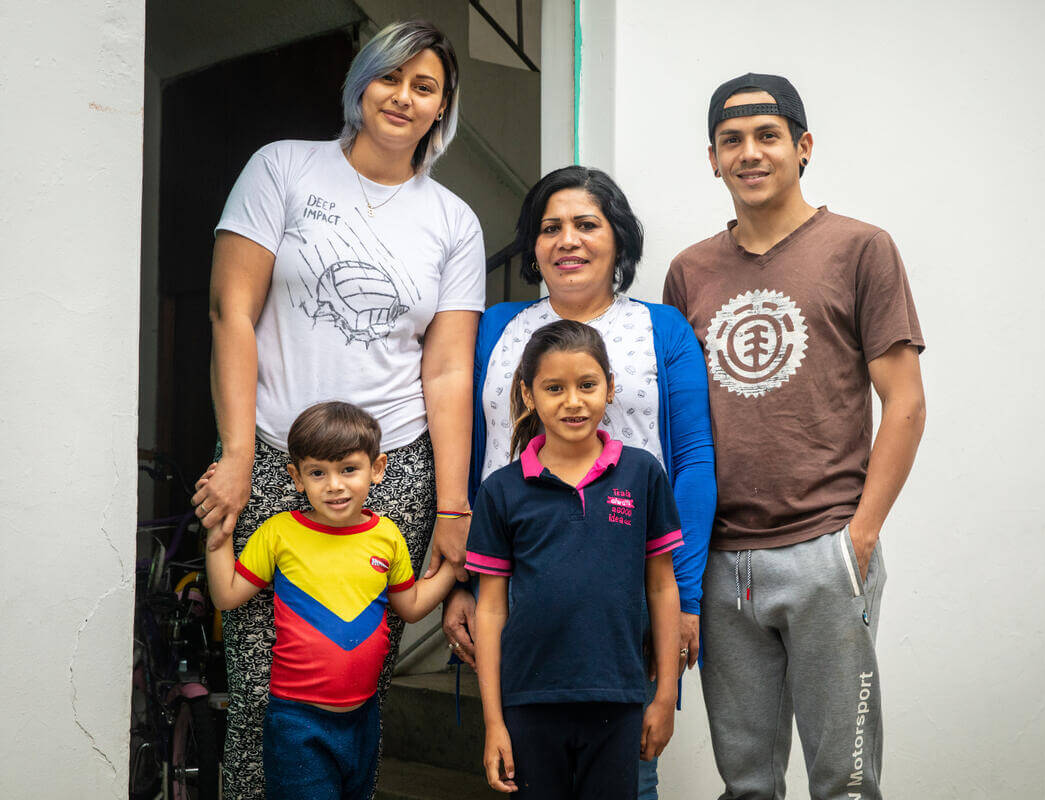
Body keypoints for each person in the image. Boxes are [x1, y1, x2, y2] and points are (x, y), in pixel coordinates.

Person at [189, 20, 484, 798]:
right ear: (361, 83)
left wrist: (453, 505)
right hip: (273, 460)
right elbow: (230, 312)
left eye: (425, 86)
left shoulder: (453, 220)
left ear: (442, 107)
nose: (404, 97)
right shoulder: (283, 167)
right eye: (390, 77)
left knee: (355, 683)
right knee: (262, 687)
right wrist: (238, 454)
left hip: (394, 471)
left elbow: (449, 369)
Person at [663, 73, 927, 800]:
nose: (749, 153)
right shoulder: (689, 272)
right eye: (731, 140)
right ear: (712, 159)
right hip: (722, 562)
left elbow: (905, 402)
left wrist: (859, 537)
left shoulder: (861, 249)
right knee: (746, 785)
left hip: (825, 549)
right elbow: (680, 422)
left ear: (803, 146)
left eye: (768, 136)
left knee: (845, 784)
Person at [441, 165, 716, 798]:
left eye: (586, 224)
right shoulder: (496, 328)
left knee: (628, 773)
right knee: (528, 766)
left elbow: (695, 465)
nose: (567, 240)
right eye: (550, 228)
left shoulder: (662, 329)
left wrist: (686, 597)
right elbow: (472, 456)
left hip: (625, 592)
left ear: (618, 239)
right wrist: (461, 580)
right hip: (516, 587)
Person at [467, 320, 682, 798]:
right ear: (528, 394)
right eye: (554, 388)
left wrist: (665, 696)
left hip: (617, 697)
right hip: (528, 700)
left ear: (610, 387)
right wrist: (493, 721)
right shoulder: (500, 491)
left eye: (587, 385)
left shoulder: (642, 474)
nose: (573, 401)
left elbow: (662, 586)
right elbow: (491, 608)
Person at [206, 402, 458, 800]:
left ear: (377, 469)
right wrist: (216, 532)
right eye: (318, 472)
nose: (334, 485)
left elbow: (410, 606)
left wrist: (459, 563)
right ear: (296, 477)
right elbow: (226, 595)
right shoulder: (280, 532)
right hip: (297, 722)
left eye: (349, 469)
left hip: (363, 718)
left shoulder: (387, 536)